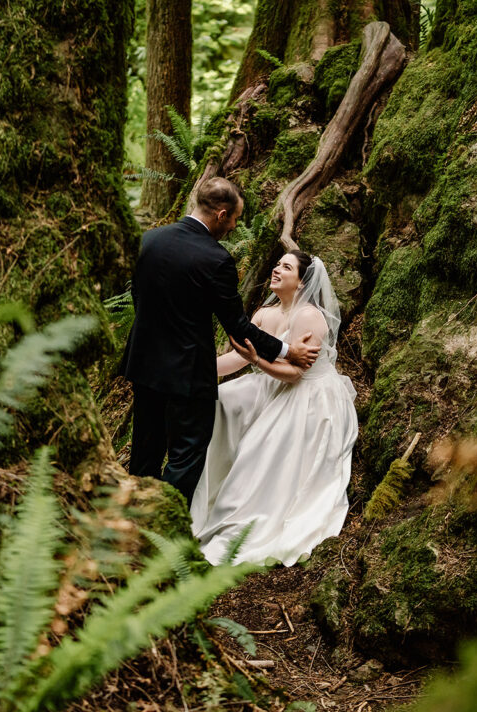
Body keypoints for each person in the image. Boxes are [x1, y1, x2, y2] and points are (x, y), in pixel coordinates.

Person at [119, 177, 320, 504]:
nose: (233, 227)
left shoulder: (149, 240)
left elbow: (138, 298)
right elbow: (238, 326)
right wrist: (288, 350)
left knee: (145, 449)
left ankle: (134, 522)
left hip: (144, 364)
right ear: (221, 214)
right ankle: (163, 527)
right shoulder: (216, 259)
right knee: (186, 454)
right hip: (187, 373)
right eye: (235, 219)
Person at [190, 251, 359, 566]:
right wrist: (201, 369)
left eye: (286, 266)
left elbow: (296, 374)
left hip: (309, 396)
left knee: (261, 447)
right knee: (219, 399)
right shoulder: (265, 313)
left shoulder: (309, 316)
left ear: (302, 280)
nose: (277, 268)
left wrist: (257, 361)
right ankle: (204, 497)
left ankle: (243, 513)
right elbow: (239, 358)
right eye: (277, 263)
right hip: (273, 383)